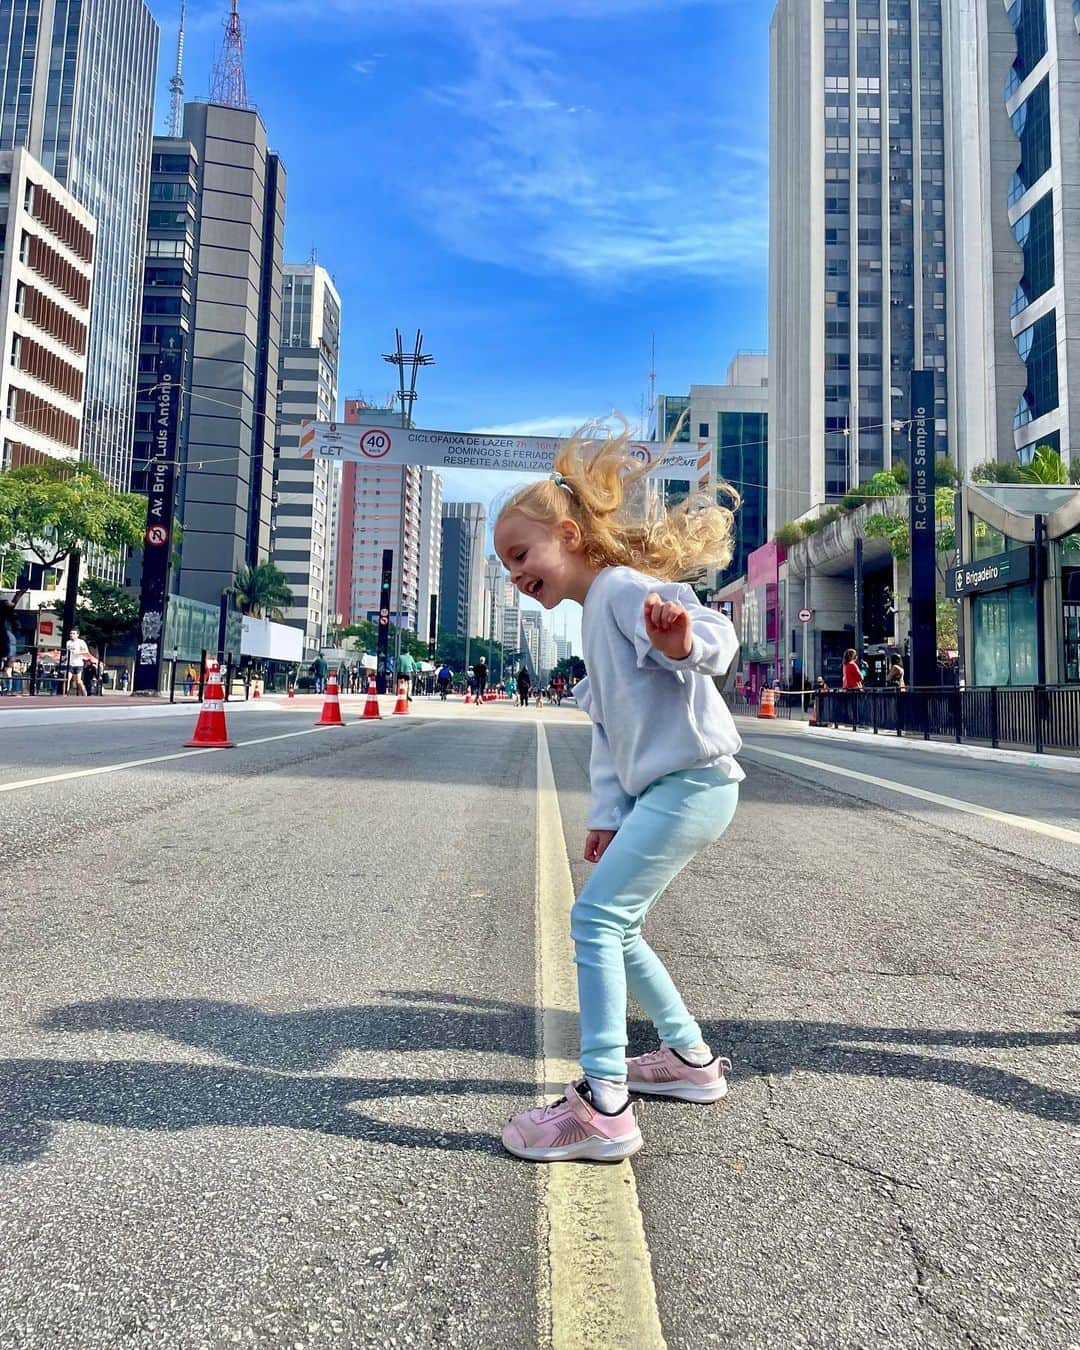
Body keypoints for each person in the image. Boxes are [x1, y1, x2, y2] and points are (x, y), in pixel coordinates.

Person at [493, 420, 742, 1163]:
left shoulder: (624, 589)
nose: (515, 574)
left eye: (520, 555)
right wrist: (609, 815)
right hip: (669, 790)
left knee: (595, 922)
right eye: (507, 565)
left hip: (692, 783)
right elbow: (610, 732)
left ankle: (604, 1102)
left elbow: (717, 637)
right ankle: (689, 1061)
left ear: (568, 535)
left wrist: (682, 642)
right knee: (615, 925)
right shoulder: (593, 615)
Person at [0, 586, 27, 692]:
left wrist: (18, 596)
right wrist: (18, 596)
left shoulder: (3, 605)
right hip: (4, 634)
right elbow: (12, 606)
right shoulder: (4, 605)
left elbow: (11, 606)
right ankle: (7, 686)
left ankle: (8, 686)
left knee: (8, 667)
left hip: (4, 635)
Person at [65, 628, 89, 695]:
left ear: (77, 635)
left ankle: (84, 691)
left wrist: (78, 652)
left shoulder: (81, 642)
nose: (71, 635)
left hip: (78, 663)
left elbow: (86, 651)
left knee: (78, 681)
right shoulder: (68, 643)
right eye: (71, 633)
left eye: (73, 633)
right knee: (67, 679)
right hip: (69, 663)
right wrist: (65, 657)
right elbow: (67, 653)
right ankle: (65, 693)